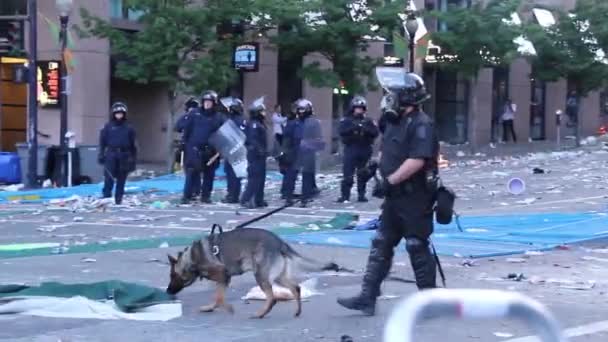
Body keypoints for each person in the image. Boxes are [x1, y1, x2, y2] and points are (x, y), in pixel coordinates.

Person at [337, 72, 439, 316]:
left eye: (392, 94)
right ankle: (367, 297)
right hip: (394, 198)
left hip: (415, 197)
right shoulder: (393, 121)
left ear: (405, 98)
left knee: (416, 246)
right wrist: (374, 167)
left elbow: (417, 160)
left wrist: (390, 181)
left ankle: (431, 303)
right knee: (381, 244)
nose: (388, 98)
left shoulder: (421, 124)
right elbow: (386, 149)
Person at [181, 90, 224, 204]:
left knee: (209, 175)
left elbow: (224, 132)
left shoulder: (219, 117)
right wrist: (184, 144)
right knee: (191, 173)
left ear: (214, 103)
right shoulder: (194, 114)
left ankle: (206, 196)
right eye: (205, 101)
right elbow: (187, 129)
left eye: (210, 102)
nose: (207, 104)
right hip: (194, 148)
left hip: (211, 151)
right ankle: (187, 196)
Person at [337, 96, 379, 203]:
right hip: (351, 148)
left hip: (364, 148)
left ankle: (361, 195)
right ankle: (345, 195)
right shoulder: (347, 120)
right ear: (353, 108)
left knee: (363, 173)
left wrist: (364, 128)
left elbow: (375, 132)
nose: (359, 110)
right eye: (357, 108)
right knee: (348, 173)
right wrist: (354, 128)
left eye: (361, 108)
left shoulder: (368, 121)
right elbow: (342, 131)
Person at [98, 102, 137, 205]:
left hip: (124, 154)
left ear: (124, 114)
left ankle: (118, 199)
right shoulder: (108, 126)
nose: (119, 115)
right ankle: (106, 196)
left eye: (121, 113)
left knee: (121, 178)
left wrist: (133, 158)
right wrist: (101, 154)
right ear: (113, 114)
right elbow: (102, 141)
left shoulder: (129, 127)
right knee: (109, 177)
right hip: (111, 153)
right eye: (117, 113)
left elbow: (133, 144)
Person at [295, 98, 324, 207]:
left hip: (307, 152)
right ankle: (295, 196)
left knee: (307, 175)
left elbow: (319, 140)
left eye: (303, 110)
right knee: (297, 175)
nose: (301, 112)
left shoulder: (313, 122)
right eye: (300, 110)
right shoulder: (296, 122)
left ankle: (305, 197)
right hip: (299, 152)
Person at [240, 99, 268, 209]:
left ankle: (258, 199)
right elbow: (253, 140)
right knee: (255, 178)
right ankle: (245, 199)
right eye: (262, 111)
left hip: (260, 155)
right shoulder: (254, 125)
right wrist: (259, 150)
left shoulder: (259, 124)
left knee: (261, 178)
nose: (264, 113)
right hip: (255, 155)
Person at [222, 98, 246, 203]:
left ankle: (232, 195)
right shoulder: (242, 119)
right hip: (238, 150)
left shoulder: (233, 120)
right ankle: (234, 194)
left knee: (232, 174)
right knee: (235, 174)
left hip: (233, 150)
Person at [175, 97, 200, 194]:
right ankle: (195, 191)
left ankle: (192, 192)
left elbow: (178, 127)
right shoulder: (188, 117)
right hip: (188, 146)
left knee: (191, 170)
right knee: (193, 170)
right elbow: (178, 127)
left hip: (191, 146)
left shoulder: (193, 117)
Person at [279, 102, 301, 200]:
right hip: (292, 151)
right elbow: (295, 138)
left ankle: (285, 191)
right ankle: (287, 193)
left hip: (288, 150)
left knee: (289, 172)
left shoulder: (290, 121)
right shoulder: (294, 123)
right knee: (291, 173)